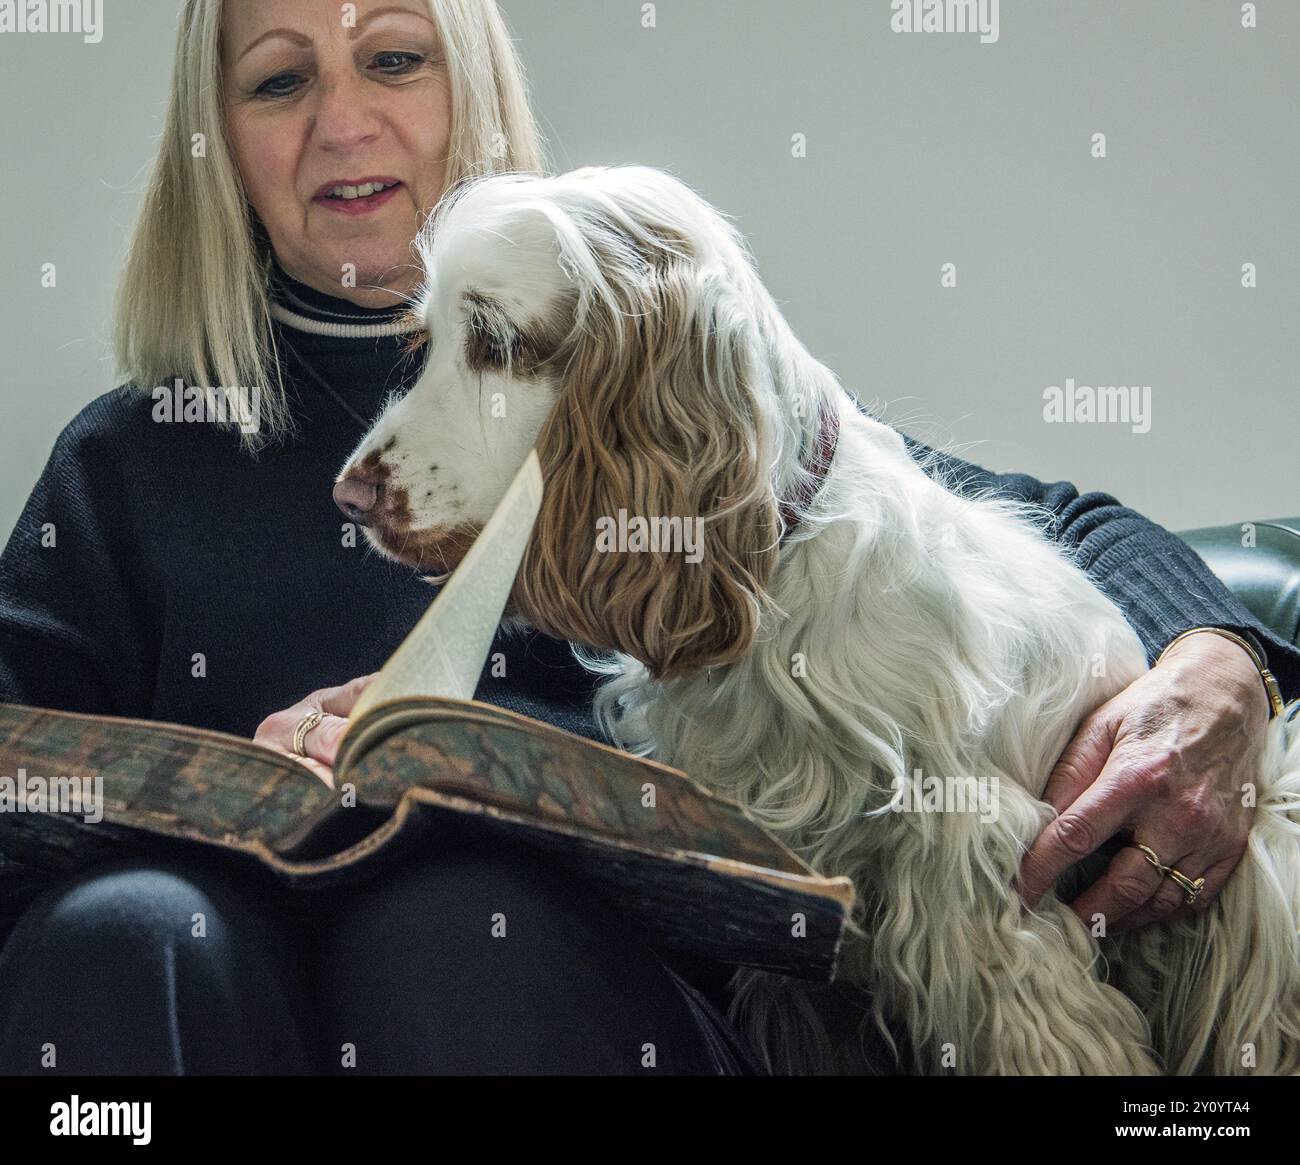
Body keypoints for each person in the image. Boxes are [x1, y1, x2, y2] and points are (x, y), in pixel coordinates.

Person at [0, 0, 1295, 1076]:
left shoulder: (641, 351)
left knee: (457, 923)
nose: (343, 121)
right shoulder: (128, 459)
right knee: (120, 930)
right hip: (223, 957)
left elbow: (1036, 528)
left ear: (473, 86)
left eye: (395, 57)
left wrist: (1222, 662)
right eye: (279, 81)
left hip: (598, 983)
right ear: (217, 139)